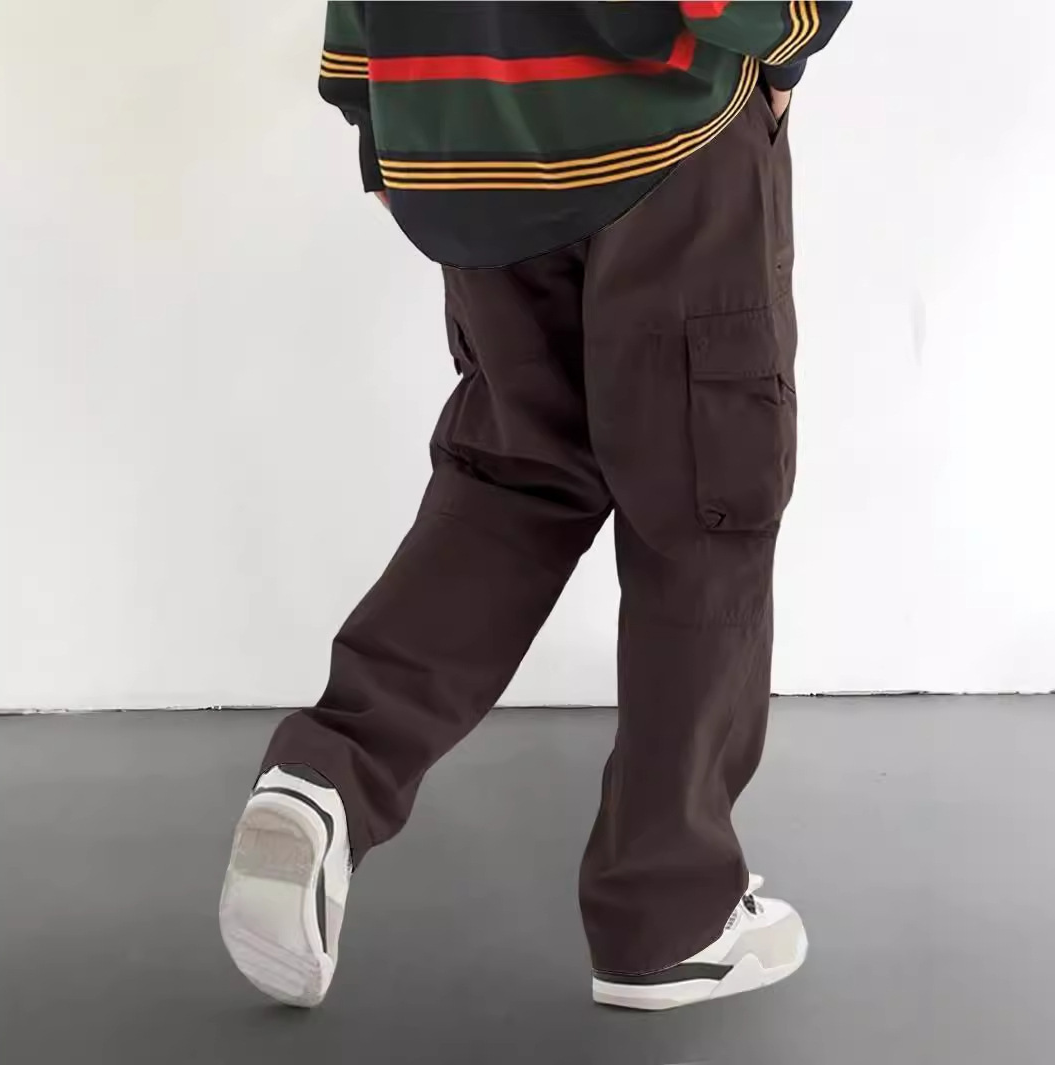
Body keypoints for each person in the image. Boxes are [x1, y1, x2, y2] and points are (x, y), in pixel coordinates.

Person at [218, 0, 852, 1012]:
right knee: (705, 503)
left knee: (516, 477)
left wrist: (374, 116)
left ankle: (327, 776)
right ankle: (669, 919)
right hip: (661, 134)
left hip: (460, 138)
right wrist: (789, 40)